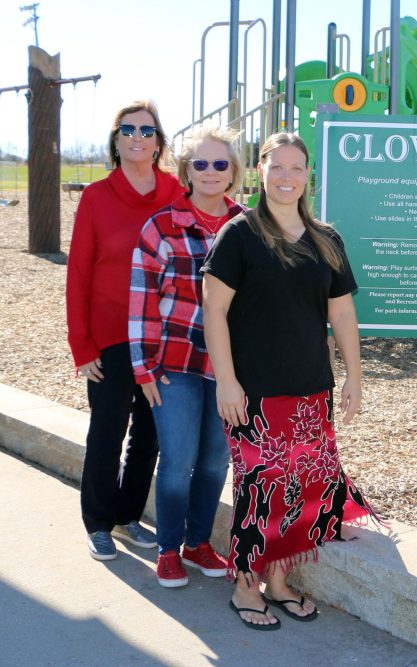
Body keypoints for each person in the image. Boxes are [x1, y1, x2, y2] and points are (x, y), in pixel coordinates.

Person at [202, 132, 381, 630]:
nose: (286, 177)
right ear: (260, 170)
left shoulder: (327, 238)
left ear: (308, 175)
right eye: (276, 167)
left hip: (310, 391)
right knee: (259, 488)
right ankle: (245, 586)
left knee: (300, 489)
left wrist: (353, 377)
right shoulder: (238, 235)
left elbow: (343, 314)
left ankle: (279, 582)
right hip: (253, 392)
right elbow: (214, 311)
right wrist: (226, 382)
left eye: (296, 168)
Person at [67, 100, 186, 560]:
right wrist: (82, 345)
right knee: (108, 429)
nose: (138, 137)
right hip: (111, 338)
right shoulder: (97, 197)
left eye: (147, 130)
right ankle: (98, 520)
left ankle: (127, 515)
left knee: (151, 432)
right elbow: (78, 274)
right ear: (116, 140)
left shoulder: (177, 193)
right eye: (128, 129)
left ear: (159, 142)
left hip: (161, 337)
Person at [129, 125, 247, 587]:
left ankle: (199, 544)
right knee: (177, 459)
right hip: (174, 365)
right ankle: (168, 549)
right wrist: (143, 367)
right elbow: (141, 298)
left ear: (234, 170)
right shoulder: (160, 226)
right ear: (186, 170)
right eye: (201, 163)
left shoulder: (249, 226)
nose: (211, 172)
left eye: (221, 163)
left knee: (216, 460)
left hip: (229, 370)